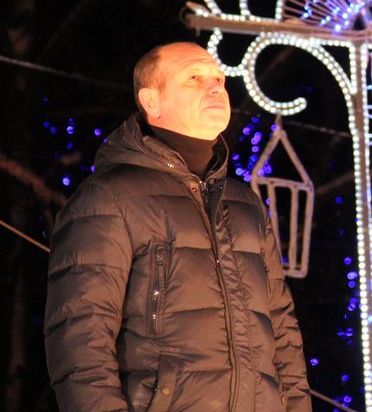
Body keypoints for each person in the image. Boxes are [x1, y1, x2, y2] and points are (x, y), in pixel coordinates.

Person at [45, 42, 312, 412]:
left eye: (219, 79)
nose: (215, 87)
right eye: (194, 78)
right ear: (152, 102)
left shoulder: (246, 205)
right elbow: (80, 339)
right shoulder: (110, 198)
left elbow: (283, 336)